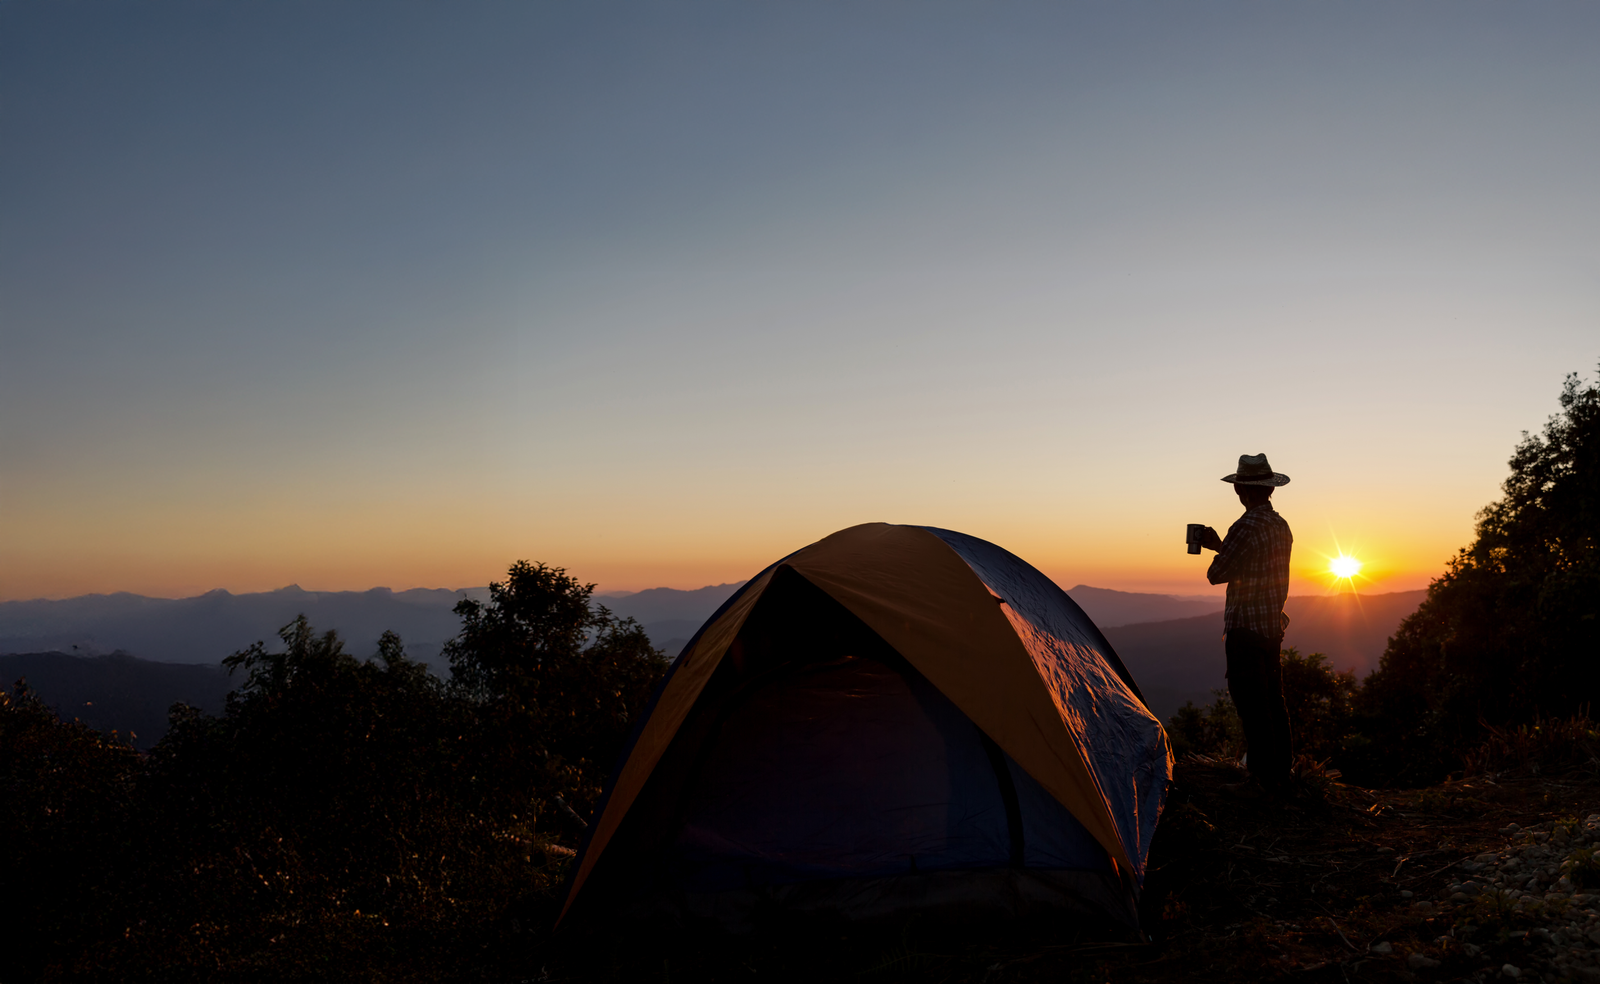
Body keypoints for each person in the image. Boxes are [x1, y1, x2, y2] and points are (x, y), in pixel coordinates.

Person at [1197, 453, 1294, 795]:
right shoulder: (1280, 526)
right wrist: (1222, 546)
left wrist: (1214, 550)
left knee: (1251, 703)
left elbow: (1217, 574)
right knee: (1273, 700)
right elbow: (1255, 564)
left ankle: (1262, 779)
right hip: (1271, 626)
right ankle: (1282, 771)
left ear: (1240, 489)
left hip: (1245, 628)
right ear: (1269, 489)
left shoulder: (1244, 526)